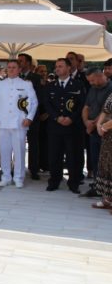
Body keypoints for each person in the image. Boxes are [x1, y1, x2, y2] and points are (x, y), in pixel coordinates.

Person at [0, 60, 38, 188]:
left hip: (19, 122)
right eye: (9, 67)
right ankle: (6, 176)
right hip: (2, 122)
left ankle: (18, 177)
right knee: (4, 151)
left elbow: (33, 102)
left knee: (19, 151)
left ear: (19, 70)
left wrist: (29, 118)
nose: (11, 69)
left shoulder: (26, 84)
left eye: (14, 67)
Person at [44, 58, 86, 193]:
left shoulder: (78, 85)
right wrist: (57, 117)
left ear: (68, 68)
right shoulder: (50, 85)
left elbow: (82, 104)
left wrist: (71, 118)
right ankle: (54, 181)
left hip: (73, 127)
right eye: (56, 66)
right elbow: (47, 104)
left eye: (60, 66)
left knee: (73, 156)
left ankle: (73, 183)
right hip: (55, 126)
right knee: (54, 155)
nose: (57, 69)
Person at [81, 68, 112, 197]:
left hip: (106, 132)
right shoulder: (93, 88)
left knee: (105, 163)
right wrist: (86, 122)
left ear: (100, 76)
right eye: (89, 81)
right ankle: (97, 186)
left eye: (92, 80)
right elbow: (86, 107)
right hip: (94, 130)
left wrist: (93, 125)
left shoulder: (110, 88)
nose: (91, 83)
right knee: (95, 159)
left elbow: (105, 110)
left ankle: (105, 191)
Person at [18, 53, 45, 180]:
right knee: (17, 143)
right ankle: (17, 168)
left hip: (32, 116)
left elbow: (40, 97)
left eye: (21, 61)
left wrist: (32, 113)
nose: (19, 63)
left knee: (33, 143)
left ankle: (34, 169)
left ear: (28, 63)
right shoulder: (15, 77)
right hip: (17, 116)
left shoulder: (36, 78)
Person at [93, 93, 112, 209]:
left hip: (108, 129)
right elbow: (105, 110)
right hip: (108, 138)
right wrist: (99, 124)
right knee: (106, 167)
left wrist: (104, 127)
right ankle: (107, 199)